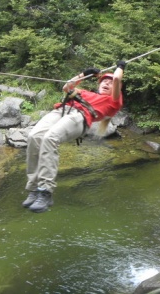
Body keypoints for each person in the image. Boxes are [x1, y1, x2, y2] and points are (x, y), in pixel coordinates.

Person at [22, 60, 126, 213]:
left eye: (110, 83)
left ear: (116, 89)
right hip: (62, 111)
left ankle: (45, 191)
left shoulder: (114, 101)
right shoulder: (86, 93)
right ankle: (34, 188)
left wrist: (121, 67)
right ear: (98, 84)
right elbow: (67, 87)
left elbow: (117, 78)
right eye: (104, 81)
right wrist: (84, 74)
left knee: (50, 138)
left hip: (81, 117)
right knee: (34, 136)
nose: (107, 83)